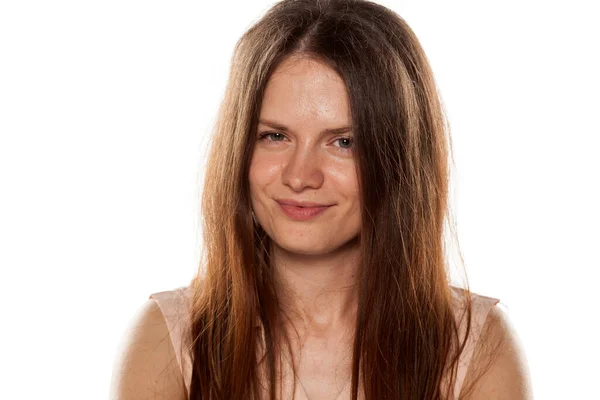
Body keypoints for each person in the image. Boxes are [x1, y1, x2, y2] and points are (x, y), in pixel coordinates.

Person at [109, 0, 532, 399]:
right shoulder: (169, 338)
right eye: (275, 136)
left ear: (399, 159)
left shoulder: (475, 346)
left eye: (343, 142)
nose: (299, 176)